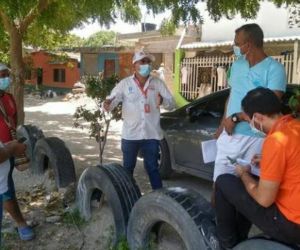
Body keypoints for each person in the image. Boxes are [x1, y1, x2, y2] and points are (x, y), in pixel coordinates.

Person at [215, 87, 300, 249]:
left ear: (258, 118)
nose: (251, 125)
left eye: (248, 121)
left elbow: (264, 200)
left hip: (291, 225)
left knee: (223, 181)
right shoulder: (295, 127)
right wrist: (267, 160)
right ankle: (239, 238)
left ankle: (227, 244)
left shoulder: (275, 141)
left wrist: (243, 174)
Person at [213, 24, 286, 188]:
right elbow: (231, 96)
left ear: (250, 43)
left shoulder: (275, 69)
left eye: (238, 43)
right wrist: (222, 125)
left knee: (250, 190)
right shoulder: (237, 65)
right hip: (230, 135)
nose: (235, 47)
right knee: (219, 187)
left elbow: (269, 109)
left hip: (257, 139)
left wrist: (236, 117)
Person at [103, 50, 175, 190]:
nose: (146, 65)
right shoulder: (125, 84)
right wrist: (107, 104)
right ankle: (128, 197)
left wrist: (163, 101)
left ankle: (158, 198)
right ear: (134, 65)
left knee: (153, 168)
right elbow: (111, 101)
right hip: (130, 135)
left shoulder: (158, 83)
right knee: (128, 169)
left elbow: (171, 104)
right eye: (142, 62)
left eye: (148, 62)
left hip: (151, 134)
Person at [0, 62, 35, 240]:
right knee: (6, 190)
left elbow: (14, 120)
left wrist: (15, 145)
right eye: (2, 75)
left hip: (11, 149)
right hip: (2, 154)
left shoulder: (9, 98)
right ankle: (21, 224)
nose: (5, 79)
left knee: (6, 185)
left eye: (7, 75)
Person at [0, 140, 27, 245]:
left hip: (3, 185)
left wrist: (6, 146)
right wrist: (12, 149)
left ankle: (21, 224)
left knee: (8, 197)